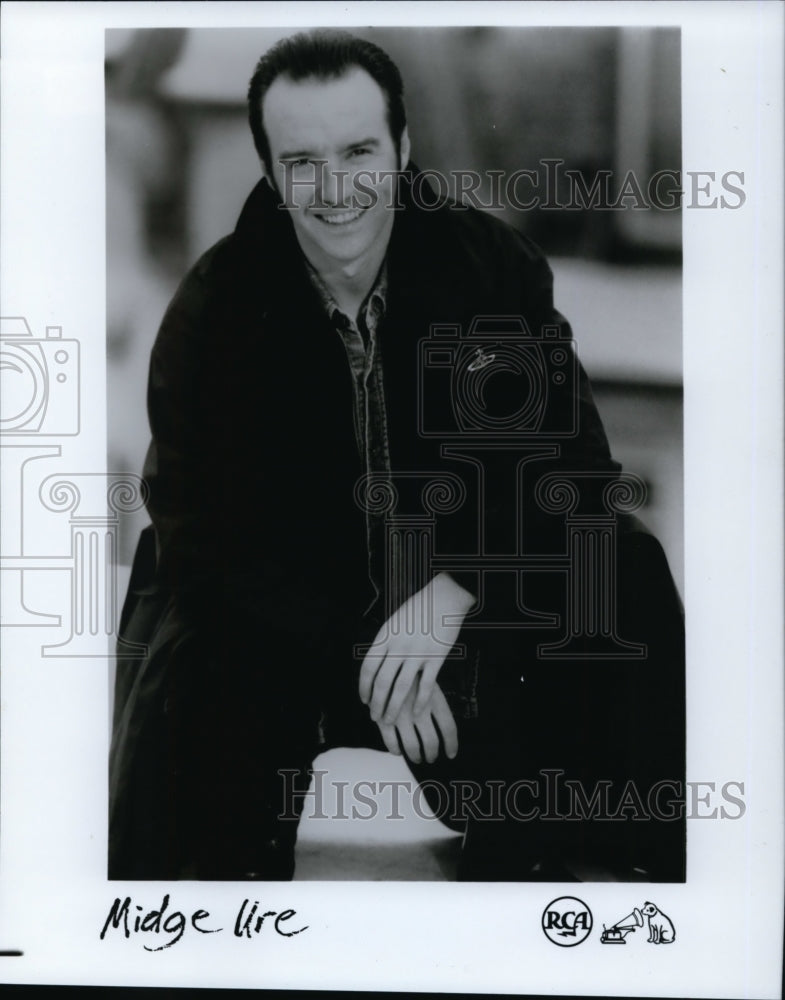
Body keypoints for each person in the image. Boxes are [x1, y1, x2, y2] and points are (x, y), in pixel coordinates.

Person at [109, 29, 685, 881]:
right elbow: (204, 530)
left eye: (358, 151)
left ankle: (618, 870)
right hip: (284, 625)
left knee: (623, 571)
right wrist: (358, 646)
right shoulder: (215, 307)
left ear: (402, 148)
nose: (335, 188)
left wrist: (449, 594)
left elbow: (569, 470)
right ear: (270, 170)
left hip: (464, 612)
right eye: (302, 161)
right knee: (191, 680)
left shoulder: (490, 270)